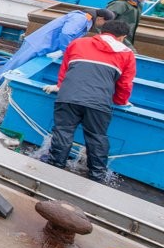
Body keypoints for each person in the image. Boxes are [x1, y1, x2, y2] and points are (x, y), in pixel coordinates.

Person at [40, 20, 135, 183]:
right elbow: (125, 84)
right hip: (99, 102)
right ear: (122, 37)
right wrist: (121, 101)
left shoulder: (78, 43)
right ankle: (97, 175)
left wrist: (60, 86)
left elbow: (65, 69)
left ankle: (55, 165)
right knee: (97, 137)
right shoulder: (127, 53)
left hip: (68, 96)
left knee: (63, 131)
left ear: (101, 31)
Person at [0, 8, 114, 89]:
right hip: (39, 43)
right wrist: (67, 51)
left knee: (17, 64)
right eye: (104, 23)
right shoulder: (80, 18)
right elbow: (66, 34)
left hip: (45, 45)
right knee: (15, 63)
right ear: (101, 19)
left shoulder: (85, 21)